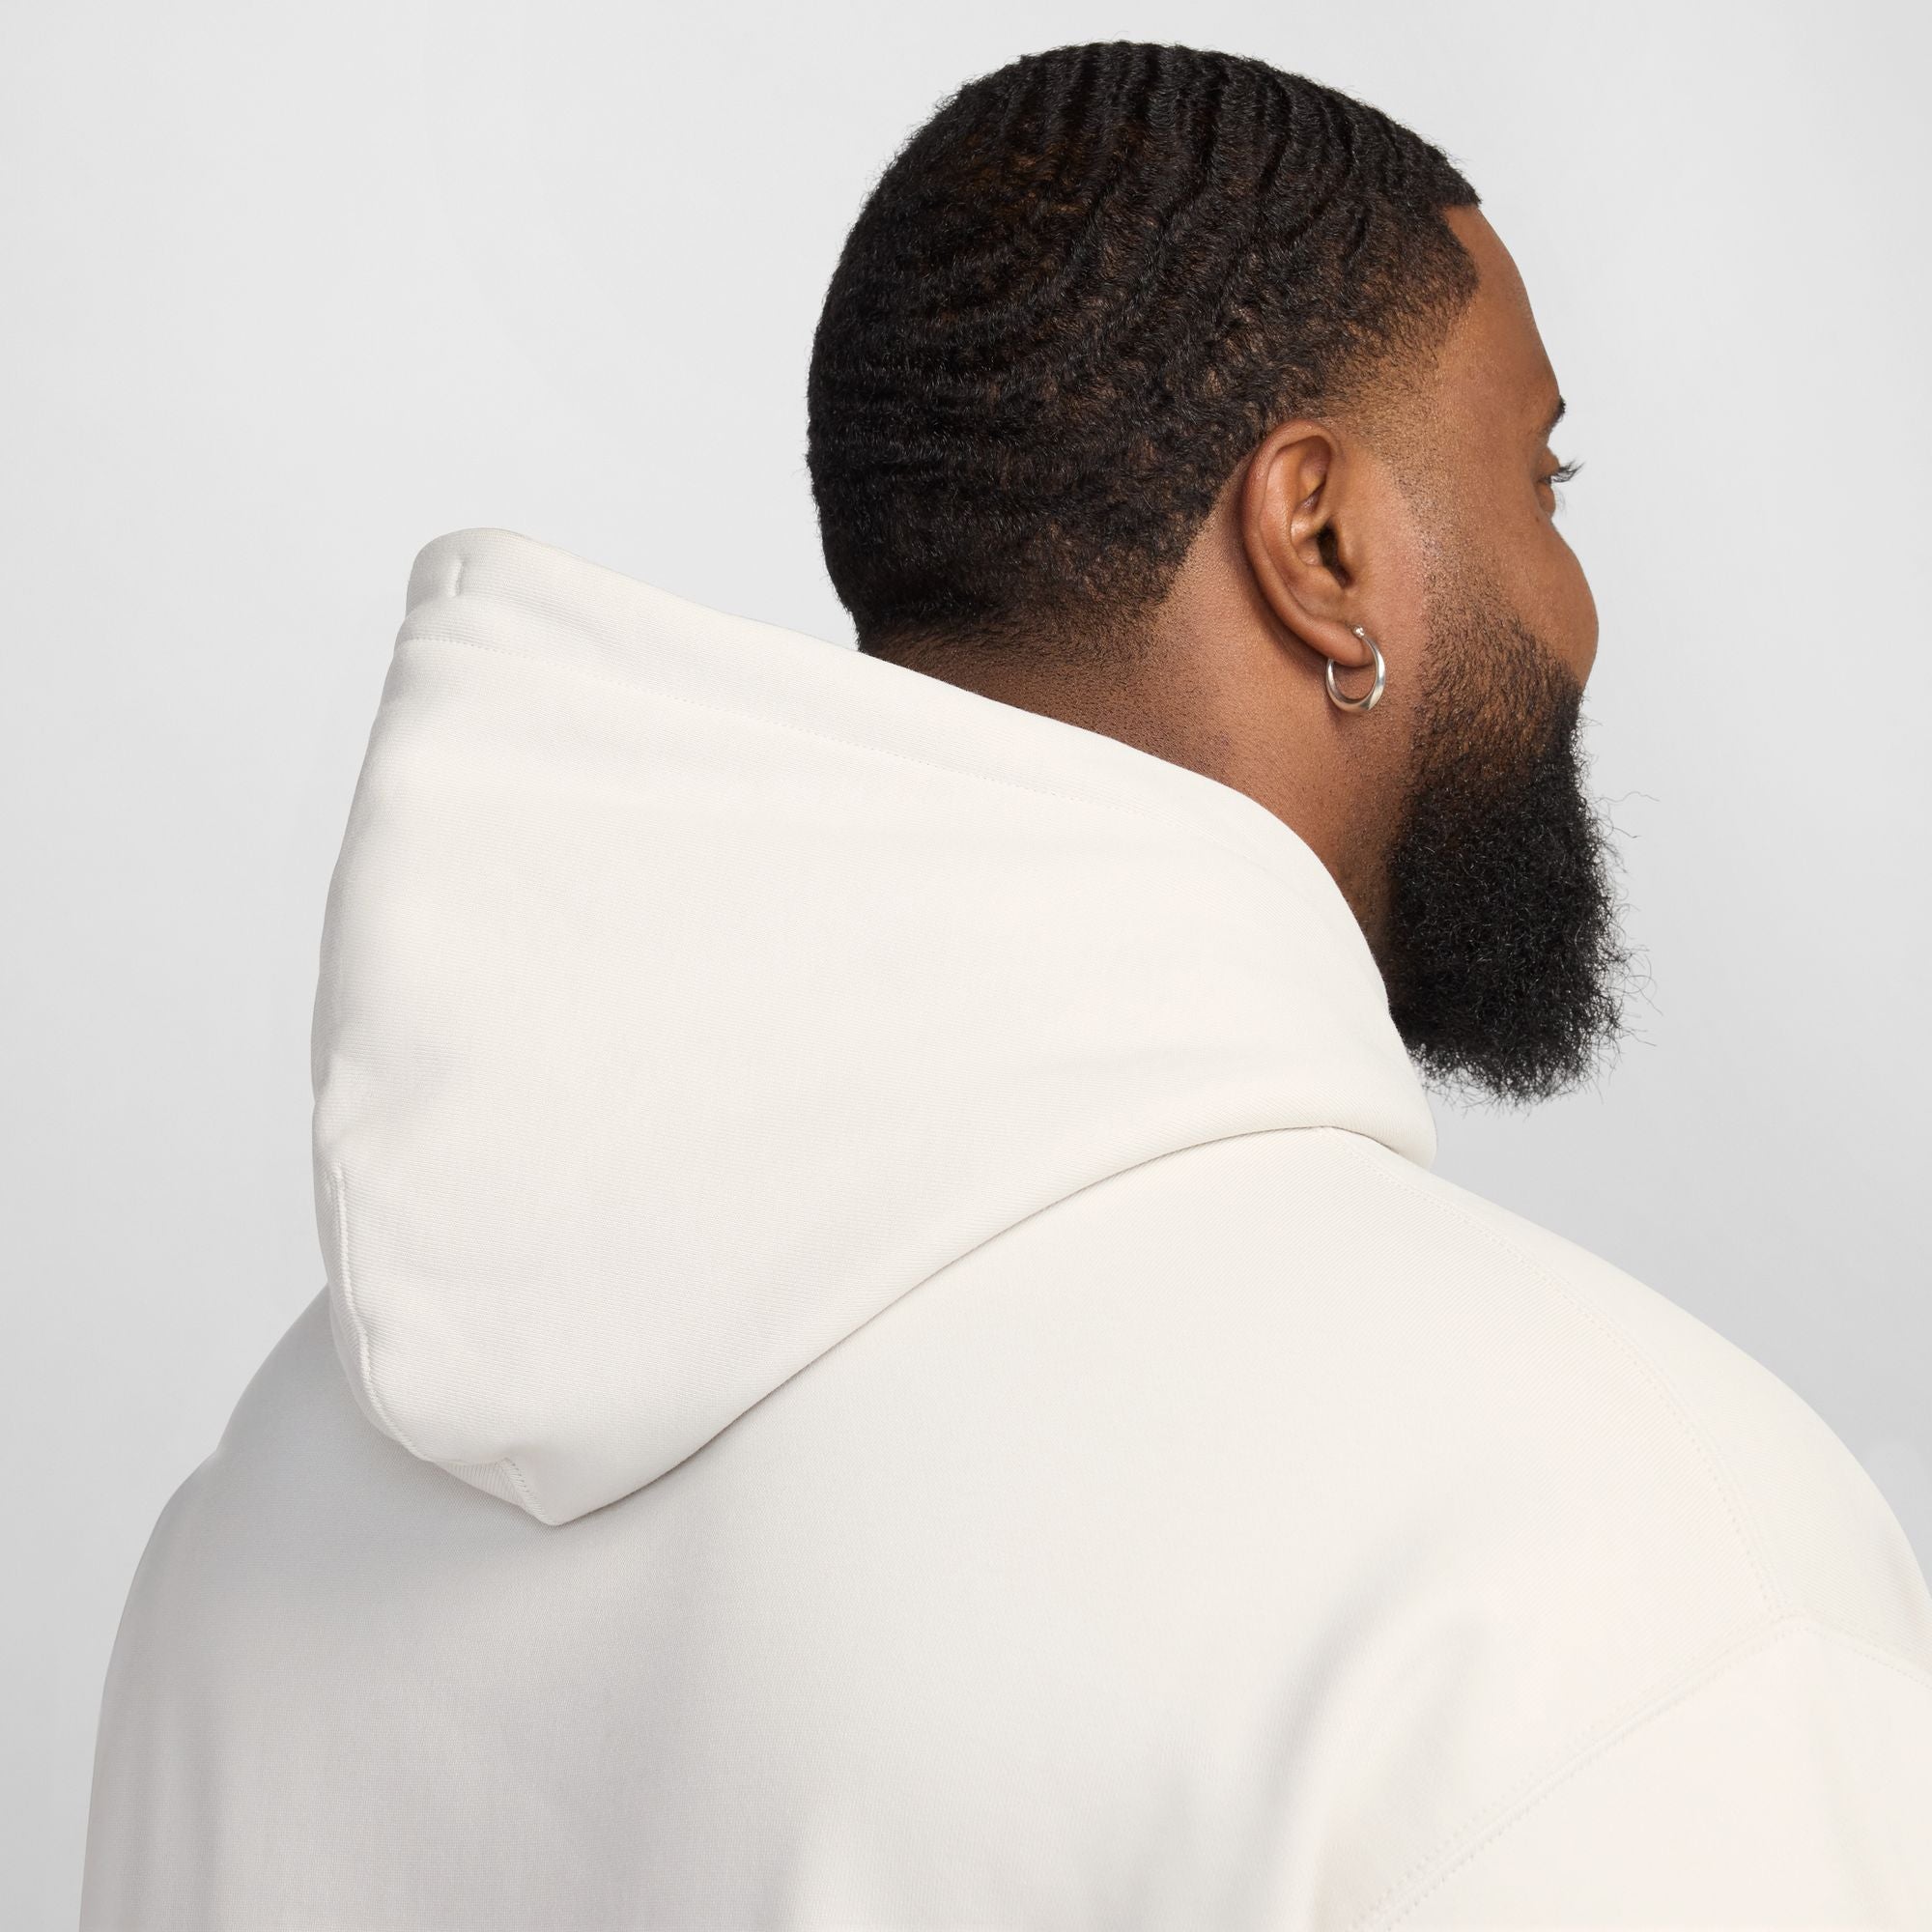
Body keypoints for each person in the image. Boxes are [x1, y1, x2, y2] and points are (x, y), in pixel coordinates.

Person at [82, 41, 1932, 1931]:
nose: (1575, 605)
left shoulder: (267, 1519)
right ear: (1318, 542)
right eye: (1542, 478)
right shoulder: (1613, 1573)